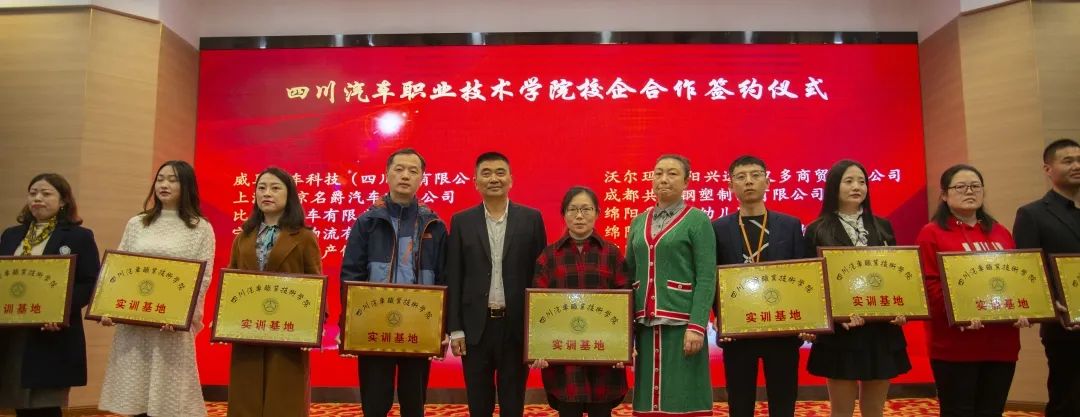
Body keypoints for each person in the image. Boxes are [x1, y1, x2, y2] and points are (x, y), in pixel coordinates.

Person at [98, 161, 215, 417]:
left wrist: (182, 316)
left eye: (173, 180)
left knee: (168, 401)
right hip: (134, 322)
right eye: (160, 179)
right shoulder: (137, 223)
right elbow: (119, 268)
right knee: (134, 395)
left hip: (170, 327)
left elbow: (203, 278)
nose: (164, 184)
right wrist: (108, 307)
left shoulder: (200, 228)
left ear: (186, 185)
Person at [916, 164, 1031, 417]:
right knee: (958, 411)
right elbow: (928, 287)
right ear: (944, 195)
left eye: (975, 186)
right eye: (960, 187)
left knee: (992, 410)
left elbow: (1017, 280)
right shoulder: (932, 233)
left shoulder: (1000, 232)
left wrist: (1025, 308)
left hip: (1001, 343)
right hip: (955, 345)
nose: (969, 191)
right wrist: (962, 313)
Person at [341, 149, 448, 417]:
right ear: (387, 174)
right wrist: (350, 322)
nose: (405, 175)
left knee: (414, 403)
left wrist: (442, 325)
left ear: (422, 178)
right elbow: (351, 274)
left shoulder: (434, 224)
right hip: (375, 322)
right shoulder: (367, 222)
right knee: (375, 403)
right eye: (399, 169)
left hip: (418, 322)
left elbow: (444, 276)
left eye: (413, 171)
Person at [803, 160, 910, 417]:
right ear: (834, 187)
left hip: (881, 329)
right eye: (849, 181)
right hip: (842, 333)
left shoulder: (883, 226)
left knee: (874, 410)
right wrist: (834, 316)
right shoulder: (817, 229)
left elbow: (896, 275)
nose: (857, 187)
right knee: (841, 411)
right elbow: (812, 283)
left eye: (862, 181)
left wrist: (902, 308)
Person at [446, 152, 547, 417]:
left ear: (511, 180)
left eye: (500, 173)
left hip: (516, 327)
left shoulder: (531, 219)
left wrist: (538, 331)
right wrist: (455, 328)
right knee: (478, 403)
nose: (494, 178)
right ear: (475, 182)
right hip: (474, 328)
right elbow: (454, 275)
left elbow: (540, 278)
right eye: (486, 173)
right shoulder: (461, 221)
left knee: (513, 402)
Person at [0, 173, 101, 417]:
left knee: (44, 405)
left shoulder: (79, 236)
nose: (37, 198)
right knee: (17, 403)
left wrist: (59, 311)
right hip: (13, 332)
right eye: (33, 193)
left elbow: (90, 283)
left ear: (63, 200)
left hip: (51, 333)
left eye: (46, 194)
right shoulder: (11, 235)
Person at [712, 155, 804, 417]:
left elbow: (802, 272)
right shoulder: (718, 228)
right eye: (740, 177)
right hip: (738, 329)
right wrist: (720, 316)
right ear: (730, 186)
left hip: (782, 327)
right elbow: (712, 276)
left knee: (783, 401)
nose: (748, 182)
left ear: (767, 182)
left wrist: (806, 319)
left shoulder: (790, 225)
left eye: (755, 175)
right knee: (740, 403)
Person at [226, 167, 322, 417]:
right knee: (246, 396)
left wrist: (314, 325)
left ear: (289, 195)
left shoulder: (304, 237)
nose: (267, 193)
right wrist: (224, 317)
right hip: (248, 329)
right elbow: (232, 281)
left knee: (284, 397)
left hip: (288, 331)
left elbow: (315, 283)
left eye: (275, 188)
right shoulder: (243, 237)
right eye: (261, 188)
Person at [627, 154, 716, 416]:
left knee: (683, 396)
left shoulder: (697, 220)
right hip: (645, 323)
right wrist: (625, 331)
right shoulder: (638, 221)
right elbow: (628, 274)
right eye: (658, 173)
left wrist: (697, 326)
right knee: (648, 400)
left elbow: (706, 276)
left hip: (682, 323)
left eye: (672, 173)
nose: (663, 179)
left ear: (687, 181)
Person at [530, 187, 629, 417]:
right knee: (568, 410)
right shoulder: (548, 256)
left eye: (586, 209)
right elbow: (537, 307)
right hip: (564, 360)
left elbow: (625, 304)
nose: (579, 216)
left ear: (597, 213)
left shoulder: (612, 254)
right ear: (564, 214)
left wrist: (623, 347)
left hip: (604, 355)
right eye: (573, 209)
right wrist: (538, 347)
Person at [1012, 138, 1080, 417]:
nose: (1077, 166)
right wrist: (1051, 304)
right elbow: (1028, 271)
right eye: (1068, 161)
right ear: (1048, 169)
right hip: (1066, 328)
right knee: (1069, 400)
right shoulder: (1033, 214)